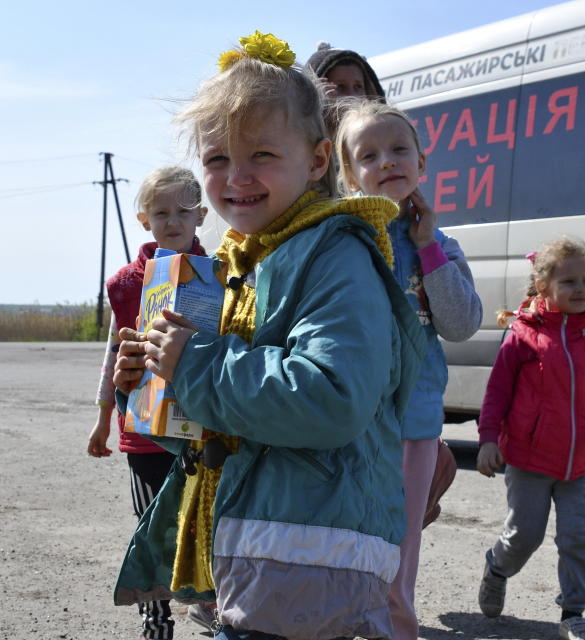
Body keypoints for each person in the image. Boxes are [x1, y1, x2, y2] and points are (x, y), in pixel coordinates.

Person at [111, 30, 427, 640]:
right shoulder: (244, 260)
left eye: (261, 154)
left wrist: (196, 366)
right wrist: (150, 387)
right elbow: (228, 431)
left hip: (313, 555)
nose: (238, 176)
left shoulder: (336, 255)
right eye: (218, 159)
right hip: (265, 547)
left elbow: (331, 398)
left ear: (315, 161)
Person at [334, 100, 483, 640]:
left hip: (415, 423)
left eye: (400, 150)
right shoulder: (342, 242)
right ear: (350, 175)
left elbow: (463, 323)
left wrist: (426, 250)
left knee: (400, 549)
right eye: (369, 155)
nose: (388, 161)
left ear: (422, 163)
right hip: (351, 418)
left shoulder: (441, 246)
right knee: (347, 539)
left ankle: (396, 629)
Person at [475, 236, 585, 640]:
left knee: (579, 537)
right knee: (525, 535)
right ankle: (497, 567)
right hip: (530, 458)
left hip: (582, 461)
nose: (581, 289)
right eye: (570, 282)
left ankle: (573, 613)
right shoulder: (523, 335)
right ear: (544, 288)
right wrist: (489, 439)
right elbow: (497, 392)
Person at [87, 165, 207, 640]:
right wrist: (102, 419)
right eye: (161, 212)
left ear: (200, 215)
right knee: (153, 525)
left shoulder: (223, 276)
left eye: (182, 211)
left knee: (205, 522)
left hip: (203, 426)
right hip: (143, 432)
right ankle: (155, 620)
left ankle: (215, 608)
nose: (172, 221)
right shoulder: (125, 284)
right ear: (143, 219)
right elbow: (114, 352)